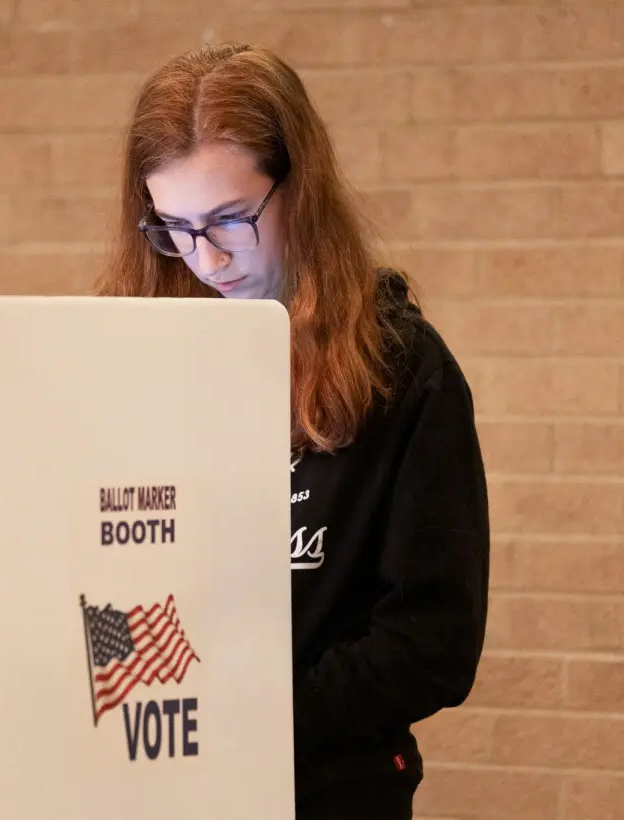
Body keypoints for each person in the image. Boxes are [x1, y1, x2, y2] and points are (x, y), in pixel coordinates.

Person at [94, 42, 490, 820]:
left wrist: (250, 720)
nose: (204, 258)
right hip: (160, 782)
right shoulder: (138, 351)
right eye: (172, 227)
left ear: (299, 189)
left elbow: (433, 642)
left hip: (328, 786)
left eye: (231, 219)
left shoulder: (402, 369)